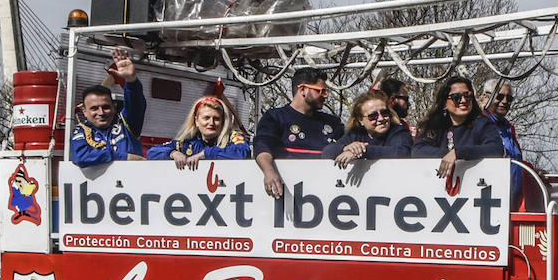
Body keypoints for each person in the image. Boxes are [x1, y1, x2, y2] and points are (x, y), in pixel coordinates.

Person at [253, 67, 344, 198]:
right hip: (288, 193)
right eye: (320, 91)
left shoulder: (332, 122)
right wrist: (269, 171)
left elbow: (346, 143)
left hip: (326, 194)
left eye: (326, 91)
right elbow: (262, 146)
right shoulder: (275, 117)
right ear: (302, 90)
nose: (325, 96)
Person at [411, 76, 505, 182]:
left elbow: (496, 149)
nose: (463, 100)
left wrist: (458, 153)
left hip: (475, 185)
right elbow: (418, 150)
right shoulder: (435, 125)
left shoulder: (483, 124)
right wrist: (448, 155)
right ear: (444, 103)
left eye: (467, 95)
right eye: (456, 97)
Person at [70, 47, 148, 166]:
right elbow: (81, 157)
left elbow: (136, 104)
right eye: (94, 108)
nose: (101, 112)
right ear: (84, 111)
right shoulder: (80, 131)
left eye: (106, 107)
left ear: (114, 106)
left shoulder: (127, 124)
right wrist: (124, 157)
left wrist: (131, 80)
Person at [146, 93, 251, 168]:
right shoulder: (188, 143)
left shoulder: (233, 137)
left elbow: (242, 153)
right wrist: (173, 153)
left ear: (223, 121)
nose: (211, 123)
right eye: (206, 118)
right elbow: (152, 152)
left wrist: (204, 154)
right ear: (196, 121)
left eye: (216, 119)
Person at [321, 90, 412, 168]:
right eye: (373, 116)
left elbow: (401, 153)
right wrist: (346, 148)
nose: (381, 119)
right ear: (360, 119)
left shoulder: (399, 131)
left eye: (384, 113)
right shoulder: (355, 134)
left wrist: (362, 151)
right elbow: (327, 152)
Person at [479, 78, 526, 207]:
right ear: (486, 97)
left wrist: (532, 171)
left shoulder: (508, 128)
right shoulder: (478, 123)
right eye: (499, 97)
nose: (504, 102)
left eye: (509, 98)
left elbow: (514, 160)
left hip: (512, 200)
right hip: (487, 199)